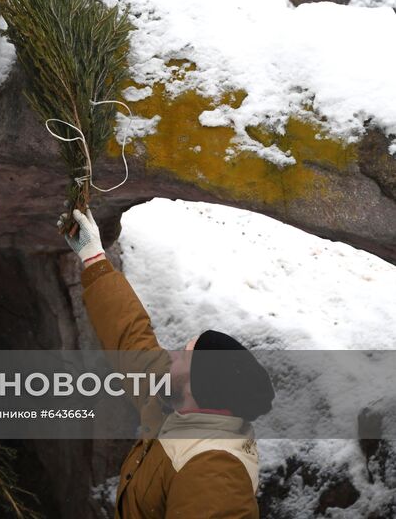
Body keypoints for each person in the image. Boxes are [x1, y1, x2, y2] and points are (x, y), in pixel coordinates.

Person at [62, 208, 274, 518]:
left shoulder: (213, 471)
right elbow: (132, 339)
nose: (172, 354)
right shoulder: (175, 402)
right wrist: (94, 256)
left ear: (198, 385)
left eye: (184, 355)